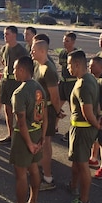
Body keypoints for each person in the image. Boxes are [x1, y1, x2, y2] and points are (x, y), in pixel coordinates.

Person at [1, 56, 47, 203]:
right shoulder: (39, 87)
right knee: (34, 169)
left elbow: (20, 121)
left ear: (21, 70)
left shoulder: (19, 93)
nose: (13, 72)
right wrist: (41, 138)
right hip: (36, 133)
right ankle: (33, 202)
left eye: (14, 69)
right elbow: (45, 114)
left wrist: (28, 144)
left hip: (24, 137)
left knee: (21, 175)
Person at [63, 50, 101, 203]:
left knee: (83, 164)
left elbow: (87, 111)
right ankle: (73, 186)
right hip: (82, 128)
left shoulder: (83, 84)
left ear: (77, 64)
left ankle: (84, 201)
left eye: (69, 64)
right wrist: (98, 121)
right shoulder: (90, 79)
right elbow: (96, 105)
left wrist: (97, 124)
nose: (67, 68)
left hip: (82, 130)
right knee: (77, 161)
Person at [31, 39, 63, 191]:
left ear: (43, 51)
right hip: (39, 109)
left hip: (48, 111)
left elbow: (55, 96)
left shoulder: (49, 69)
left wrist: (57, 112)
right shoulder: (38, 65)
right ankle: (39, 165)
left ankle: (48, 178)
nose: (31, 52)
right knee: (40, 140)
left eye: (34, 50)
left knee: (46, 142)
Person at [0, 26, 28, 145]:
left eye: (7, 34)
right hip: (6, 81)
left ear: (14, 35)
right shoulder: (4, 48)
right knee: (7, 109)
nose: (5, 36)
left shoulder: (21, 50)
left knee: (18, 111)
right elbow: (3, 61)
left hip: (17, 82)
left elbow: (26, 67)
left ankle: (21, 136)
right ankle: (11, 135)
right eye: (4, 34)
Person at [58, 32, 77, 141]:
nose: (64, 43)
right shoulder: (62, 53)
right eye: (64, 40)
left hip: (72, 83)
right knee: (56, 105)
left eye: (67, 41)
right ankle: (54, 127)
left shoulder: (77, 53)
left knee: (73, 109)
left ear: (73, 42)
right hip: (63, 82)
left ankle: (71, 130)